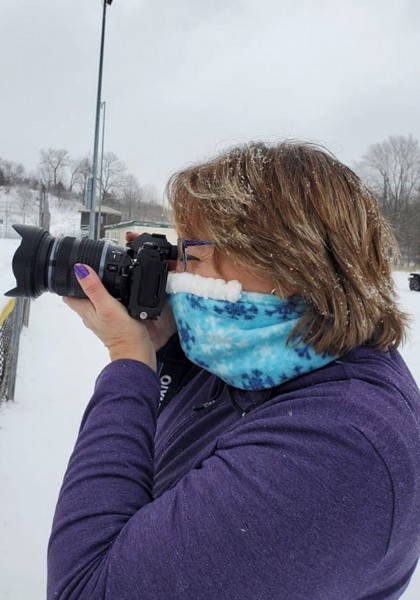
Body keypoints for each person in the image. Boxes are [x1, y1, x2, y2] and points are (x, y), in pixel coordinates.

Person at [47, 141, 420, 600]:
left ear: (288, 262)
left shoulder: (339, 450)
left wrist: (128, 361)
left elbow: (86, 589)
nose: (179, 275)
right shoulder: (262, 354)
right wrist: (166, 350)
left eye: (193, 255)